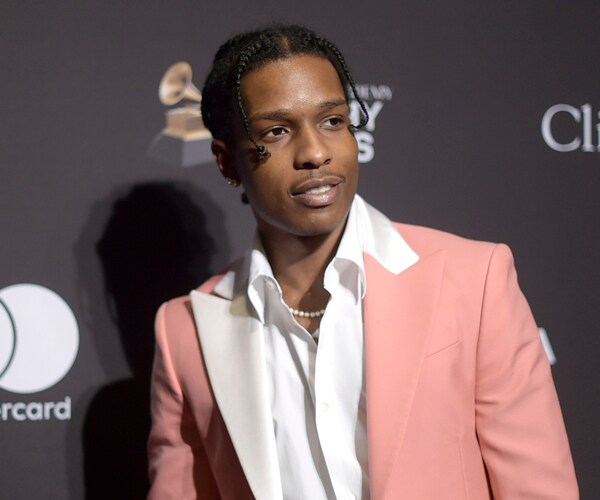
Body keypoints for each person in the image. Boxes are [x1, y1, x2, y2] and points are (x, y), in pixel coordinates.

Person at [147, 24, 578, 499]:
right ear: (227, 162)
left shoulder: (474, 280)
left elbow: (538, 488)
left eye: (333, 121)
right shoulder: (185, 330)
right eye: (277, 131)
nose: (316, 153)